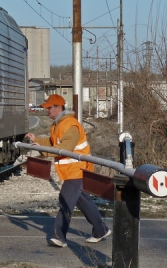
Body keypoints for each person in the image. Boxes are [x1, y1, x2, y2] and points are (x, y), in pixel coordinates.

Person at [25, 94, 111, 247]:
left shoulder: (70, 125)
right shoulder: (57, 124)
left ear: (59, 107)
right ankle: (101, 230)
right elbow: (52, 142)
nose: (47, 111)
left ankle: (59, 236)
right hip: (72, 170)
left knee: (65, 202)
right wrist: (37, 140)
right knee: (82, 200)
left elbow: (66, 148)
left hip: (77, 170)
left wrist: (43, 149)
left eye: (49, 108)